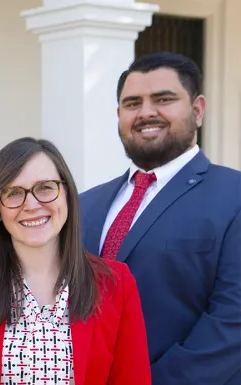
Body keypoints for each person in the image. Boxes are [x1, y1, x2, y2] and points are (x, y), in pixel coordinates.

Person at [0, 137, 151, 384]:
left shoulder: (116, 285)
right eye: (13, 193)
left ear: (67, 194)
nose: (31, 205)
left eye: (45, 187)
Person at [80, 52, 241, 384]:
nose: (146, 112)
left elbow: (232, 320)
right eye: (132, 103)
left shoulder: (234, 196)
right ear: (119, 114)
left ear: (197, 110)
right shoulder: (84, 204)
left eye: (163, 99)